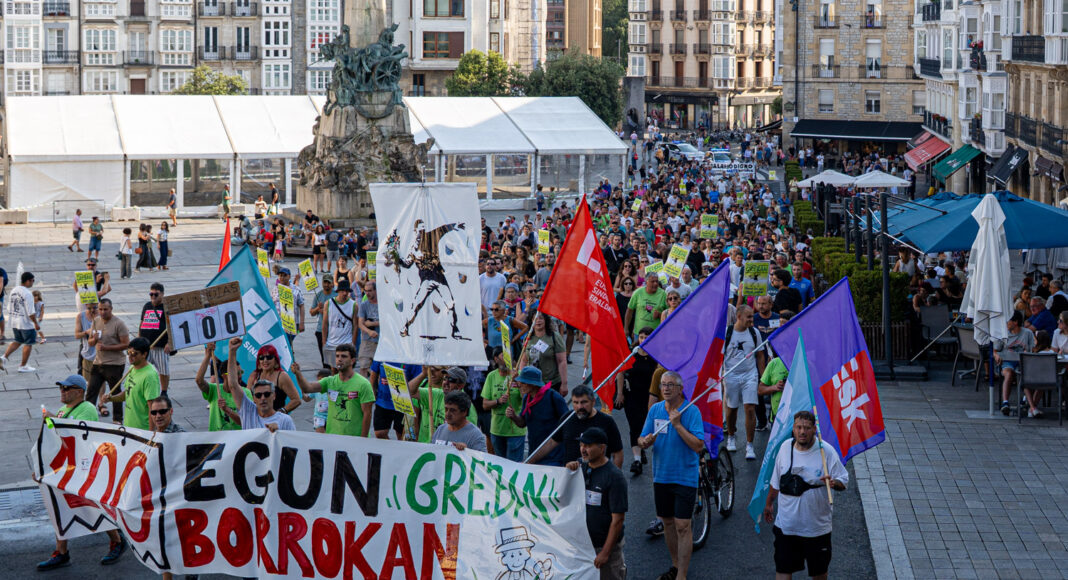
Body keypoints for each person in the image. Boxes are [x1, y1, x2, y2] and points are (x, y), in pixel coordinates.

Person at [35, 378, 128, 572]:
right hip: (65, 466)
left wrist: (54, 421)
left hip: (82, 466)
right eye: (61, 387)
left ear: (80, 392)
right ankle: (61, 552)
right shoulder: (64, 410)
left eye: (67, 388)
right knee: (59, 506)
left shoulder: (87, 408)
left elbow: (78, 435)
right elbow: (56, 436)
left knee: (91, 505)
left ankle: (117, 540)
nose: (62, 391)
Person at [762, 411, 849, 580]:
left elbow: (843, 481)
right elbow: (776, 481)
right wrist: (769, 503)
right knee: (783, 570)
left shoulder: (826, 452)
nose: (802, 432)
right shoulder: (785, 448)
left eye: (807, 428)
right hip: (786, 527)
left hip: (816, 529)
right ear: (793, 429)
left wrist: (833, 483)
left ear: (814, 429)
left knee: (819, 573)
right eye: (799, 427)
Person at [638, 371, 705, 580]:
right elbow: (641, 438)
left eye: (670, 385)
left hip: (685, 476)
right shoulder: (655, 410)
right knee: (667, 523)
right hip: (661, 476)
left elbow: (698, 445)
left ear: (680, 389)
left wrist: (677, 424)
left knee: (683, 525)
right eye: (663, 385)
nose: (665, 388)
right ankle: (675, 565)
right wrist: (645, 442)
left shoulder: (691, 411)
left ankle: (682, 576)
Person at [565, 427, 628, 580]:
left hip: (605, 548)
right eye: (581, 445)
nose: (583, 449)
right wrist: (567, 471)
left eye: (588, 446)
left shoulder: (614, 477)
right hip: (583, 546)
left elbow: (618, 520)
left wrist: (605, 553)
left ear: (602, 448)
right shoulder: (580, 468)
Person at [527, 385, 625, 467]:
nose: (579, 407)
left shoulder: (606, 421)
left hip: (597, 478)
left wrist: (613, 478)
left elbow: (617, 453)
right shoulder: (567, 418)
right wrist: (528, 461)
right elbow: (551, 443)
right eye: (575, 402)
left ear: (593, 402)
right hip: (571, 476)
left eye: (584, 402)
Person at [293, 344, 376, 437]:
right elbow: (307, 388)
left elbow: (367, 414)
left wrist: (363, 439)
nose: (339, 359)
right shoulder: (329, 381)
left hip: (354, 438)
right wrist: (298, 373)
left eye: (344, 356)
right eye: (337, 356)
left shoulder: (363, 384)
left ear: (352, 360)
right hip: (333, 438)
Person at [221, 337, 296, 431]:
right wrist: (232, 351)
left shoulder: (285, 421)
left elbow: (292, 443)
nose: (263, 398)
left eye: (267, 394)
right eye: (258, 395)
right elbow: (233, 385)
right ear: (254, 398)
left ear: (274, 396)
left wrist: (279, 432)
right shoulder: (248, 412)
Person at [723, 305, 768, 459]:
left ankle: (749, 445)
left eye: (752, 316)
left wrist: (762, 378)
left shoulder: (754, 333)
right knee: (732, 409)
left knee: (750, 408)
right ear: (739, 317)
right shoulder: (727, 333)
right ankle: (731, 435)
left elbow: (760, 355)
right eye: (749, 317)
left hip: (750, 375)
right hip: (731, 375)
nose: (752, 319)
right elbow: (718, 355)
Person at [505, 366, 569, 466]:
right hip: (534, 455)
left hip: (554, 457)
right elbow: (522, 423)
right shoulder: (527, 398)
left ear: (533, 384)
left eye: (523, 382)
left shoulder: (553, 397)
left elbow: (567, 424)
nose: (520, 385)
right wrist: (513, 416)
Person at [101, 337, 161, 431]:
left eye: (134, 353)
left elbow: (153, 408)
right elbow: (128, 393)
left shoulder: (150, 376)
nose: (130, 356)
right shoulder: (132, 369)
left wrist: (150, 434)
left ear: (144, 354)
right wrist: (111, 398)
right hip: (129, 427)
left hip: (142, 430)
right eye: (128, 353)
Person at [407, 366, 477, 443]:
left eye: (451, 380)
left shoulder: (467, 407)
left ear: (461, 385)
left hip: (447, 452)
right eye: (445, 378)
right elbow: (409, 391)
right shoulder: (436, 394)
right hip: (426, 447)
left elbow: (469, 438)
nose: (446, 382)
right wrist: (423, 374)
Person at [622, 326, 657, 475]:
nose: (643, 340)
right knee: (634, 426)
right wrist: (619, 394)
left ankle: (643, 448)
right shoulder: (632, 354)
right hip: (632, 396)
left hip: (650, 396)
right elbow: (620, 372)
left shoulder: (656, 356)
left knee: (646, 425)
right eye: (641, 337)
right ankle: (636, 460)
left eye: (647, 337)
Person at [86, 298, 129, 420]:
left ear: (111, 309)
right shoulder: (96, 321)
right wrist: (93, 340)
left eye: (105, 309)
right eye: (100, 309)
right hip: (98, 363)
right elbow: (90, 342)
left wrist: (107, 347)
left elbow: (126, 344)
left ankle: (117, 420)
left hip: (114, 364)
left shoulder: (119, 324)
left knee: (115, 394)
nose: (102, 312)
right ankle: (87, 418)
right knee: (91, 392)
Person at [481, 348, 526, 461]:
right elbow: (485, 405)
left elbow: (527, 399)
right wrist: (498, 401)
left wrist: (518, 382)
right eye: (503, 356)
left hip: (515, 431)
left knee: (514, 465)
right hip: (497, 430)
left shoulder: (518, 375)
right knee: (501, 464)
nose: (507, 359)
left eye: (509, 356)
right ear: (496, 359)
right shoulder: (491, 376)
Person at [193, 343, 250, 431]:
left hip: (238, 440)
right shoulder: (215, 390)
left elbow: (247, 421)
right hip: (216, 440)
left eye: (240, 372)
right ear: (224, 375)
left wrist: (227, 410)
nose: (240, 376)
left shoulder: (246, 392)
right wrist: (208, 354)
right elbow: (199, 381)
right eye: (236, 373)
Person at [995, 311, 1036, 416]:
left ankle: (1025, 399)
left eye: (1008, 321)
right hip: (1007, 361)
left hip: (1023, 362)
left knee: (1028, 374)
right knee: (1008, 374)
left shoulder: (1027, 333)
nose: (1006, 323)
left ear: (1015, 322)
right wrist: (996, 355)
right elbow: (995, 350)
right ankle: (1005, 403)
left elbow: (1033, 349)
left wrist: (1029, 351)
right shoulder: (1003, 334)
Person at [516, 315, 568, 396]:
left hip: (551, 384)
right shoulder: (528, 337)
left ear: (546, 320)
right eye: (535, 318)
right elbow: (524, 360)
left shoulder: (554, 337)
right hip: (532, 384)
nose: (538, 321)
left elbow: (562, 361)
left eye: (541, 318)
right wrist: (522, 377)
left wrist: (564, 384)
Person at [369, 360, 420, 440]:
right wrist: (373, 392)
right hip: (383, 402)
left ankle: (399, 451)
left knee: (401, 435)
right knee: (379, 433)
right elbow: (373, 373)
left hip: (403, 403)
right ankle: (390, 451)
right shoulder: (382, 352)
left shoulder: (411, 358)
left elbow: (418, 379)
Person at [0, 272, 39, 373]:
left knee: (17, 340)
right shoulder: (27, 293)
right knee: (28, 343)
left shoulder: (14, 290)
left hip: (14, 322)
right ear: (27, 281)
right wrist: (36, 323)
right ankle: (23, 366)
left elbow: (9, 307)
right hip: (25, 324)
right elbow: (31, 312)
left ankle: (3, 358)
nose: (33, 283)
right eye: (32, 280)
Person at [247, 343, 301, 414]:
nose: (265, 360)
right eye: (261, 358)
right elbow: (247, 398)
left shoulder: (282, 376)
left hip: (276, 421)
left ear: (275, 360)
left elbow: (296, 400)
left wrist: (281, 412)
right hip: (257, 418)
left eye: (269, 357)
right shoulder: (254, 375)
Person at [138, 283, 170, 391]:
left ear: (162, 294)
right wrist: (139, 340)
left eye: (156, 294)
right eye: (151, 294)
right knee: (143, 369)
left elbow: (173, 326)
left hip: (160, 346)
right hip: (146, 346)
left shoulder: (167, 307)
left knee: (163, 371)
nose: (153, 297)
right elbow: (142, 323)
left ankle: (164, 391)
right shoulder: (147, 306)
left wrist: (170, 343)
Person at [322, 278, 358, 368]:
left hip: (347, 342)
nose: (345, 293)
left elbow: (355, 326)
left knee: (346, 368)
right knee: (333, 369)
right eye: (342, 291)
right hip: (331, 342)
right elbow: (325, 324)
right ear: (338, 291)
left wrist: (353, 343)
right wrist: (324, 342)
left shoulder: (354, 305)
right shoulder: (329, 303)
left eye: (346, 291)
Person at [625, 275, 667, 340]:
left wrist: (660, 315)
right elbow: (629, 310)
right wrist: (626, 328)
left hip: (656, 334)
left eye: (656, 281)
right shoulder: (638, 293)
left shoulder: (663, 294)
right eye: (652, 281)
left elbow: (670, 313)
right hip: (639, 334)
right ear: (646, 282)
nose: (655, 283)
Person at [309, 276, 337, 368]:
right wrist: (318, 308)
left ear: (332, 284)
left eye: (328, 283)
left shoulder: (336, 295)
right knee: (324, 356)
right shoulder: (318, 295)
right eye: (325, 282)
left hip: (334, 329)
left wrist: (326, 311)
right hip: (320, 329)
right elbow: (311, 312)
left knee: (334, 356)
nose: (326, 285)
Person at [357, 280, 379, 376]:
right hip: (367, 340)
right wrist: (369, 331)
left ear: (375, 290)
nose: (367, 293)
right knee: (363, 366)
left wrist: (372, 324)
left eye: (370, 291)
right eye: (366, 291)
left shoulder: (383, 304)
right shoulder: (364, 305)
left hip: (381, 340)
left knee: (378, 369)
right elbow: (361, 324)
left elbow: (388, 321)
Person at [75, 302, 99, 379]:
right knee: (86, 378)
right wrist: (86, 332)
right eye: (89, 308)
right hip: (88, 352)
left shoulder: (102, 314)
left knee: (100, 380)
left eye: (95, 308)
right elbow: (77, 335)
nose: (92, 310)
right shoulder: (81, 316)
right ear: (86, 306)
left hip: (100, 353)